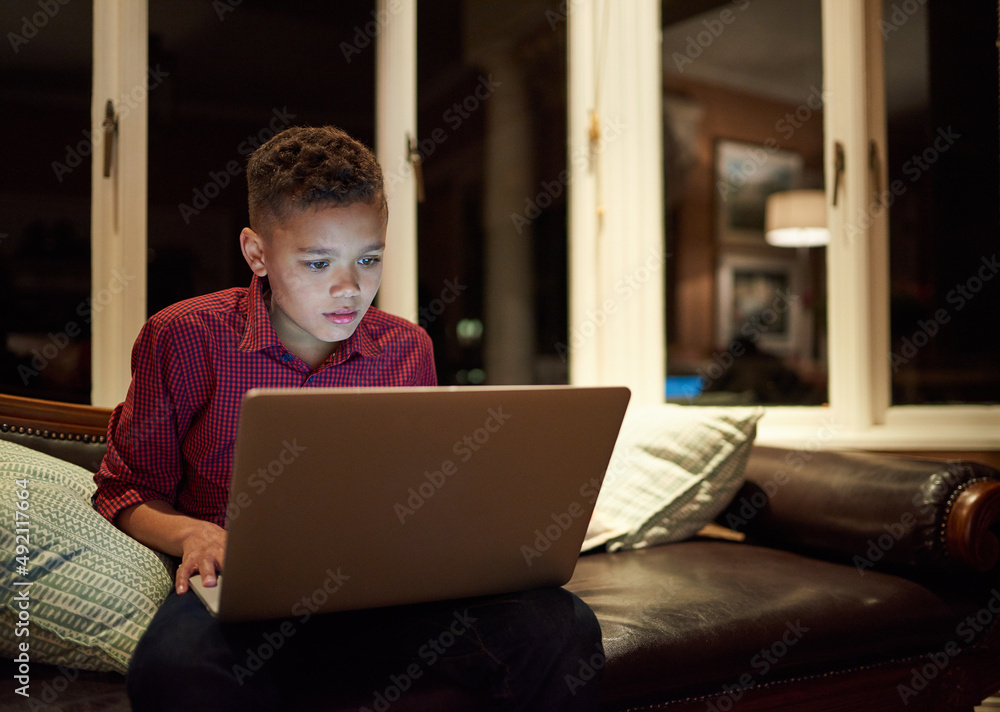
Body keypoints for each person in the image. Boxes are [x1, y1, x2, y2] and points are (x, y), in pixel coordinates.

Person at [92, 125, 603, 711]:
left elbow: (429, 492)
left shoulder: (407, 348)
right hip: (244, 595)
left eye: (368, 259)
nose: (349, 289)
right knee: (175, 670)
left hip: (385, 593)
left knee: (560, 626)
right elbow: (125, 487)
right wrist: (193, 533)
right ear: (256, 253)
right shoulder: (184, 337)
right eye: (317, 263)